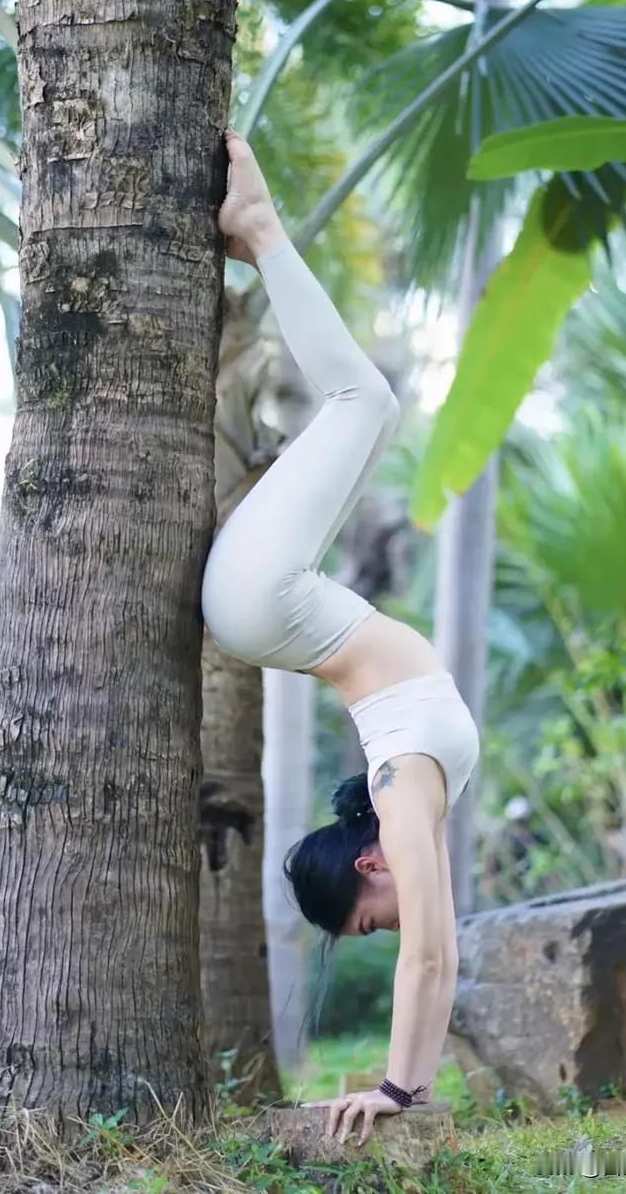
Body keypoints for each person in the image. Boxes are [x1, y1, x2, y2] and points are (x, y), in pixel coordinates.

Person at [202, 127, 480, 1147]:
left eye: (369, 923)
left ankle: (258, 232)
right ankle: (256, 234)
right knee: (367, 402)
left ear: (366, 865)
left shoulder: (403, 789)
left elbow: (428, 953)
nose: (387, 928)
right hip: (268, 596)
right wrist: (403, 1092)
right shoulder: (412, 798)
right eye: (375, 933)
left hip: (264, 597)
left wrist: (393, 1091)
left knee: (367, 402)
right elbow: (438, 956)